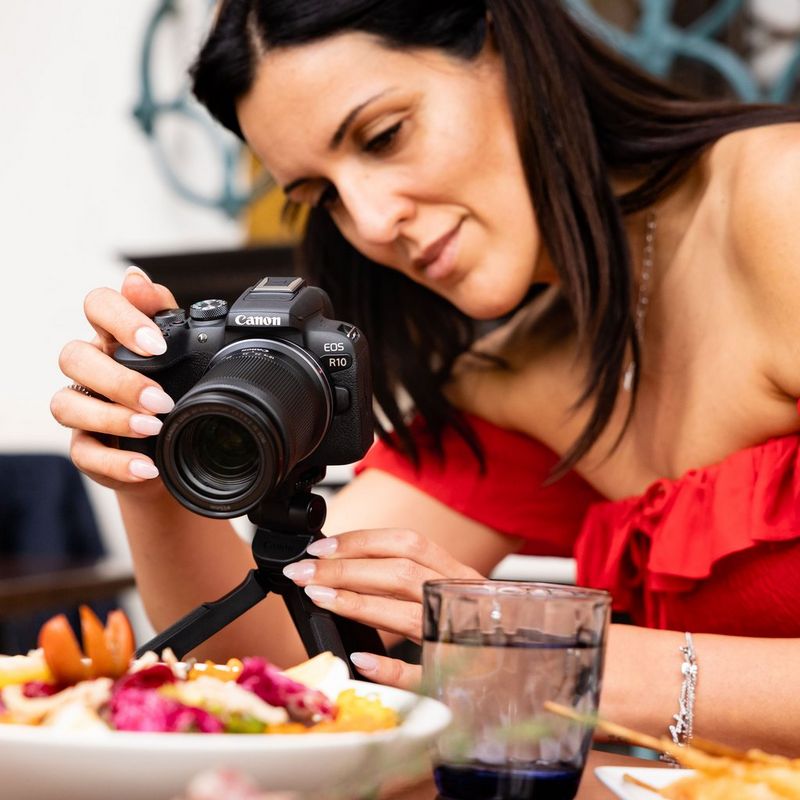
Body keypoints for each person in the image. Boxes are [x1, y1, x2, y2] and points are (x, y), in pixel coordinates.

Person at [50, 0, 800, 753]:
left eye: (384, 136)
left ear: (504, 47)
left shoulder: (781, 203)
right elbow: (281, 668)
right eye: (326, 197)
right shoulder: (517, 379)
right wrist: (152, 468)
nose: (373, 223)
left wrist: (563, 656)